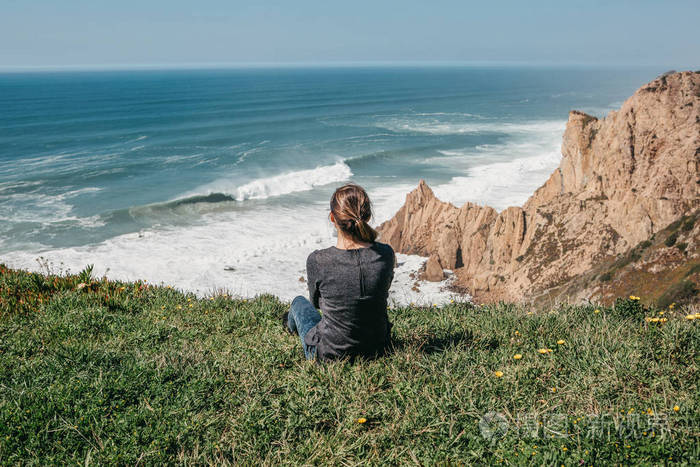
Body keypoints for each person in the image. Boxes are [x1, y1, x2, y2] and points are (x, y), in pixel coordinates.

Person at [283, 183, 396, 362]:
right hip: (379, 347)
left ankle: (288, 326)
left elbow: (315, 304)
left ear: (332, 218)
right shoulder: (386, 254)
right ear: (367, 216)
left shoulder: (319, 260)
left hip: (330, 354)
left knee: (299, 303)